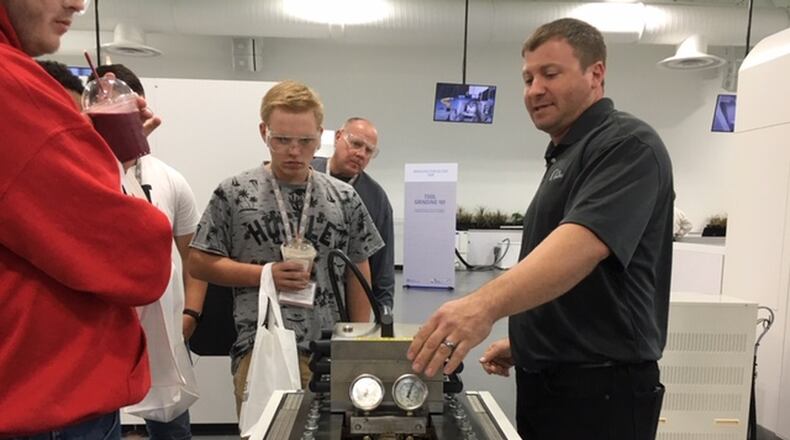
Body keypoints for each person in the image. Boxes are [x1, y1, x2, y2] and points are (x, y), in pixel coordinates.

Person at [408, 18, 674, 440]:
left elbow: (580, 248)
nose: (534, 90)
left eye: (550, 74)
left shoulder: (627, 144)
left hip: (602, 393)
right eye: (528, 78)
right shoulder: (566, 155)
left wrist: (482, 306)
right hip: (554, 384)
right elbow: (582, 285)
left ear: (596, 74)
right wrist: (529, 344)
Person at [0, 1, 173, 438]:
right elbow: (138, 257)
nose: (77, 4)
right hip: (43, 402)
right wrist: (101, 166)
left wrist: (92, 156)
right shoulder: (10, 85)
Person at [189, 80, 384, 414]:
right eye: (281, 140)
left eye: (305, 141)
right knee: (265, 432)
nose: (294, 151)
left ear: (320, 136)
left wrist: (358, 342)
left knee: (331, 432)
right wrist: (265, 274)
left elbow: (358, 267)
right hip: (260, 347)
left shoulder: (344, 198)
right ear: (264, 132)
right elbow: (199, 263)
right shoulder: (234, 193)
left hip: (328, 349)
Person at [88, 63, 207, 440]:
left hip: (164, 324)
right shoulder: (81, 176)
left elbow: (194, 256)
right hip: (100, 330)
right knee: (100, 421)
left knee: (172, 426)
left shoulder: (170, 179)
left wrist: (191, 313)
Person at [311, 117, 394, 310]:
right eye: (356, 144)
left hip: (345, 303)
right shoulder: (307, 173)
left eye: (369, 151)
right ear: (337, 137)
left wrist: (385, 312)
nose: (361, 154)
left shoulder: (376, 198)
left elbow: (383, 266)